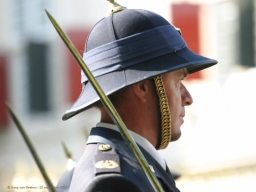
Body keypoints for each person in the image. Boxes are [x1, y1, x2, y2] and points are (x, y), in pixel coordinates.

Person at [56, 2, 217, 192]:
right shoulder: (114, 183)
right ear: (142, 87)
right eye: (177, 81)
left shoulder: (137, 169)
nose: (188, 98)